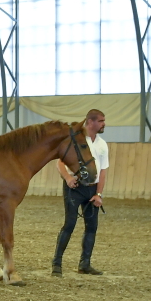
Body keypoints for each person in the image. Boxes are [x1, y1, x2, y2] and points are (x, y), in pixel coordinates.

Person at [53, 109, 110, 276]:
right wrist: (68, 179)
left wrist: (98, 194)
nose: (103, 124)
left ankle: (85, 264)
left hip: (92, 188)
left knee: (91, 227)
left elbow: (103, 171)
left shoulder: (102, 144)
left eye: (103, 120)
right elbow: (60, 163)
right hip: (75, 188)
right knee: (69, 224)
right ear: (90, 122)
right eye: (100, 121)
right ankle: (57, 263)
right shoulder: (78, 140)